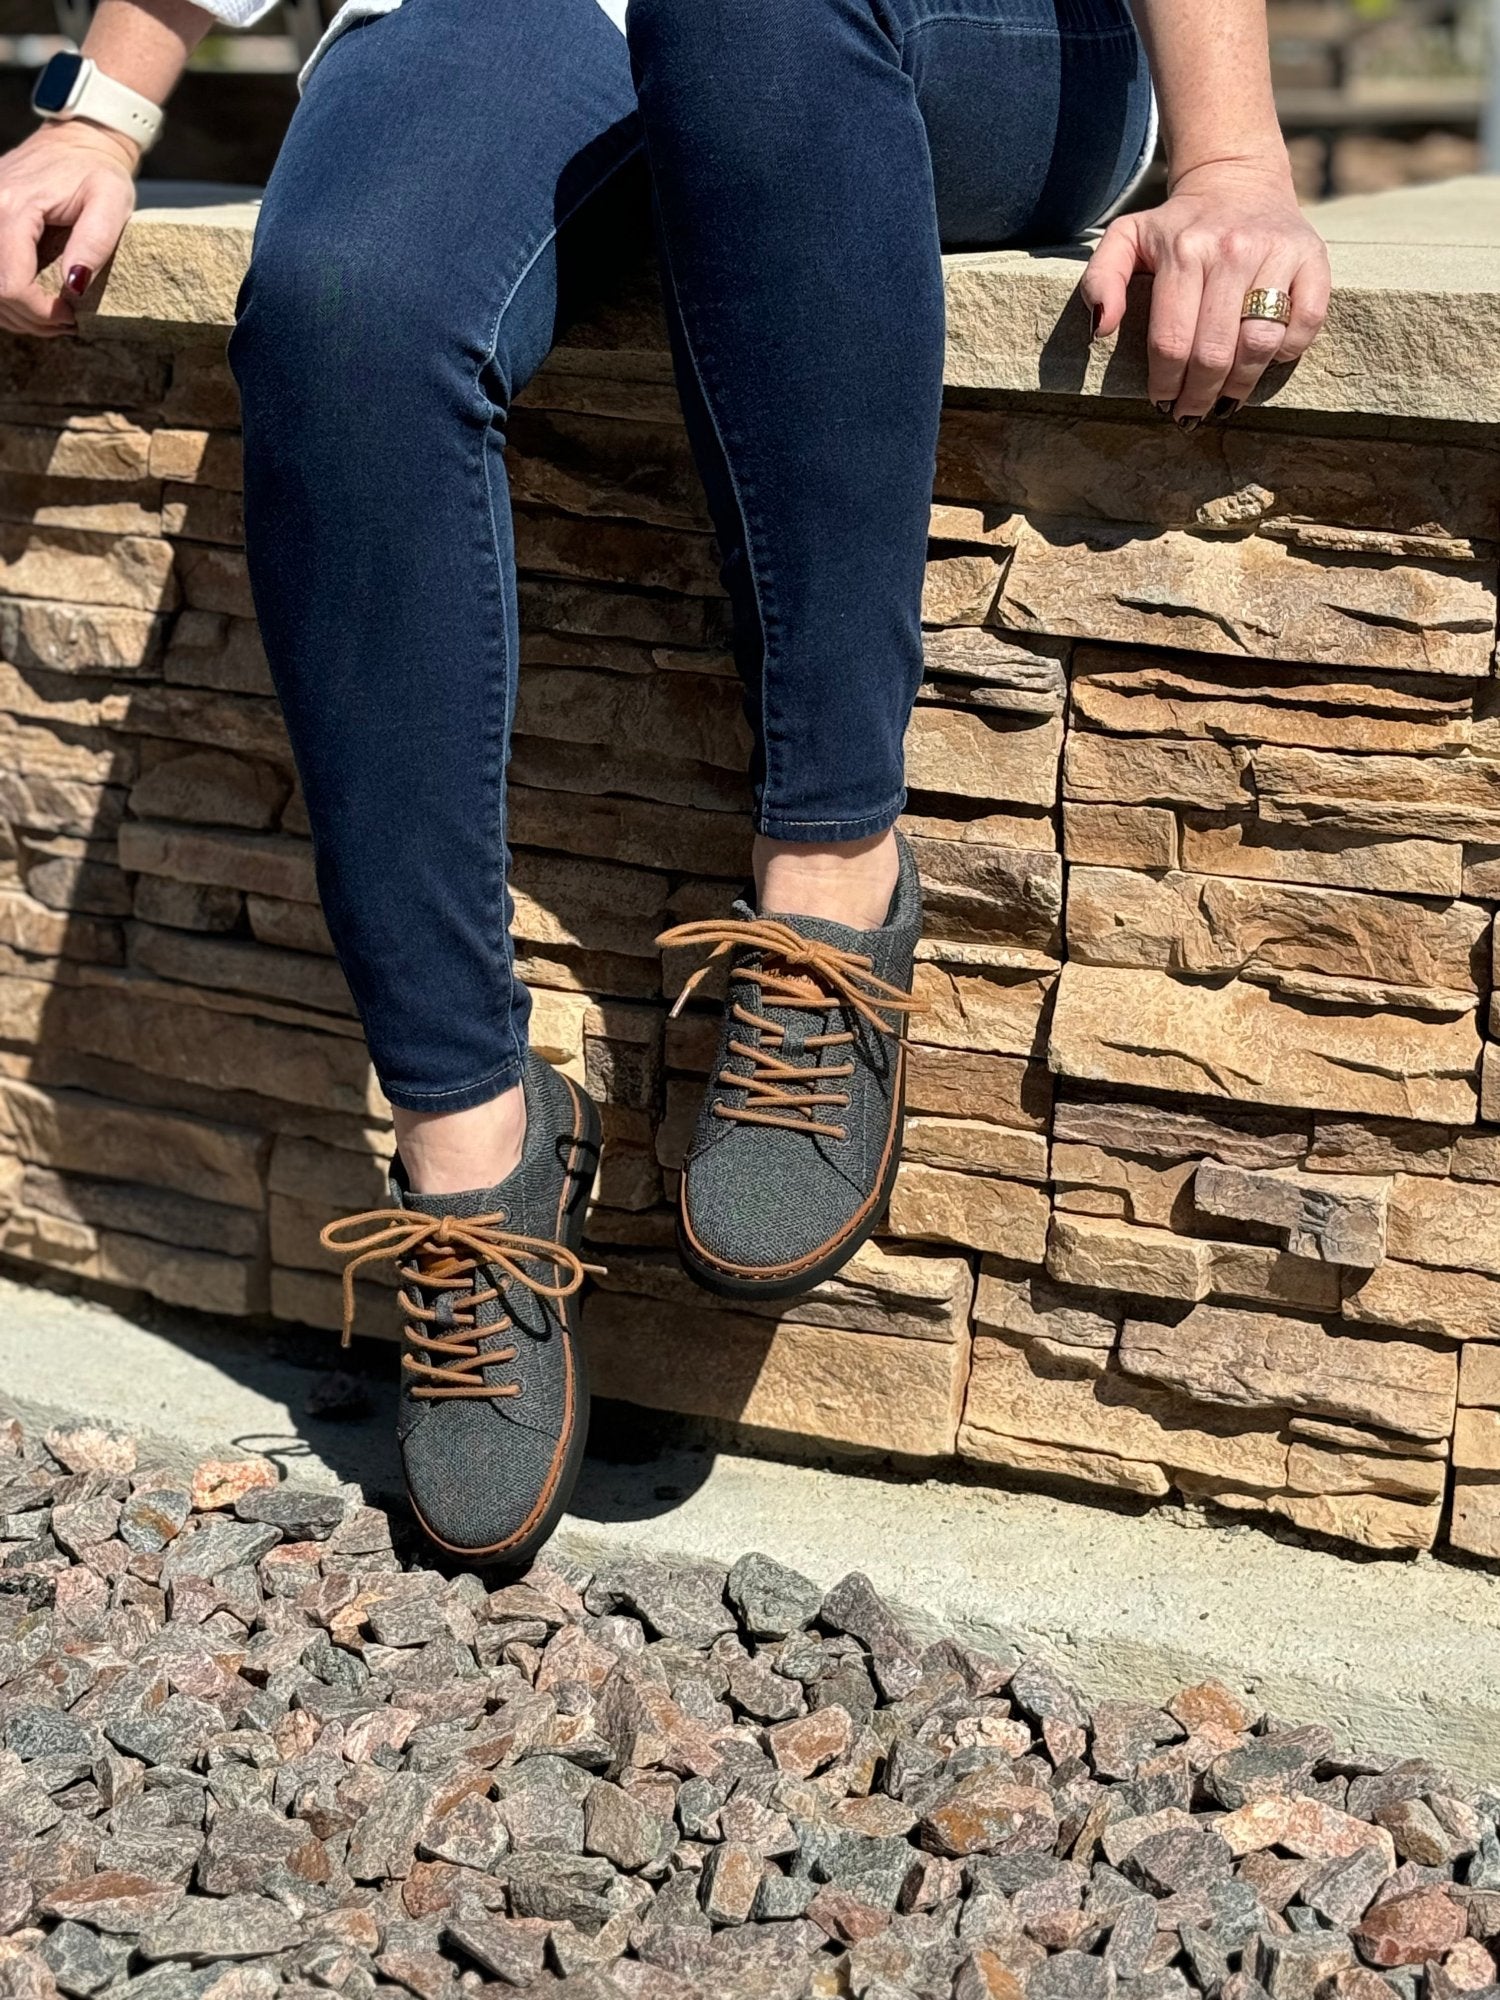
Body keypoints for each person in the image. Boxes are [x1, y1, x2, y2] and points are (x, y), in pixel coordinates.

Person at [0, 0, 1330, 1565]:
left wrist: (1233, 150)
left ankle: (834, 888)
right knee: (341, 305)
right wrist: (101, 112)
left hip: (953, 33)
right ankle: (471, 1155)